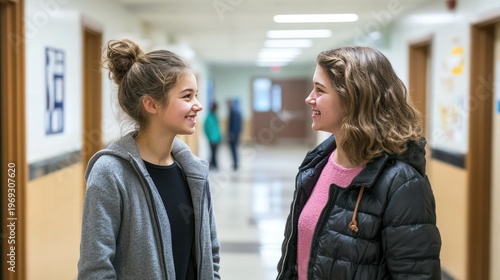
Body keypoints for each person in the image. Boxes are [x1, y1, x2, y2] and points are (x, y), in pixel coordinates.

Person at [276, 46, 441, 280]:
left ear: (353, 98)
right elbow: (294, 258)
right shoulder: (316, 165)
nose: (309, 98)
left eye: (320, 90)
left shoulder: (402, 184)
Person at [78, 39, 220, 279]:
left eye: (195, 95)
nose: (198, 105)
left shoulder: (193, 171)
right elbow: (95, 269)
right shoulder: (110, 173)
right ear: (151, 104)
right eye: (187, 96)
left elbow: (210, 253)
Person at [204, 101, 222, 170]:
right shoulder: (209, 117)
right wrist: (209, 137)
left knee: (215, 153)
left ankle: (213, 165)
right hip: (212, 139)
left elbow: (217, 128)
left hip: (217, 138)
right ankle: (213, 165)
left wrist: (220, 136)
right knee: (213, 153)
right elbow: (206, 128)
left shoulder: (215, 116)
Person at [227, 98, 242, 170]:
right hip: (236, 133)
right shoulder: (237, 111)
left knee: (233, 149)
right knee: (234, 149)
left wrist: (231, 134)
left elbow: (233, 124)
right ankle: (235, 163)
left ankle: (235, 164)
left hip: (233, 134)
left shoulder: (233, 112)